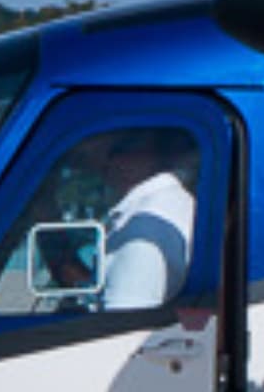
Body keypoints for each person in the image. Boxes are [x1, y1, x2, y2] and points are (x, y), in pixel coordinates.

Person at [73, 126, 198, 313]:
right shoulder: (171, 204)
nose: (108, 164)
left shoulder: (142, 228)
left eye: (118, 150)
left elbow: (122, 322)